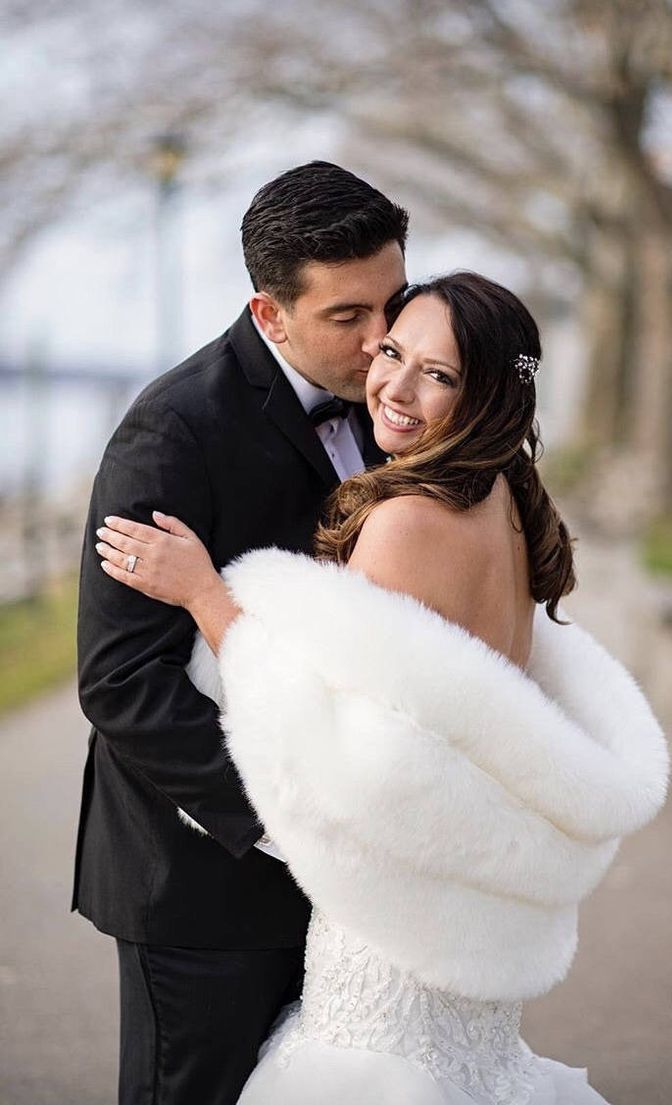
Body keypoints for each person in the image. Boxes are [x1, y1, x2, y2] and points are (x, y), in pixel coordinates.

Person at [95, 272, 670, 1104]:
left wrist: (204, 595)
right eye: (392, 352)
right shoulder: (502, 497)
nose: (392, 387)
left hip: (392, 943)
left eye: (437, 374)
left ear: (487, 398)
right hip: (454, 933)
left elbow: (332, 737)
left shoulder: (407, 519)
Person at [73, 160, 408, 1105]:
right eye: (348, 317)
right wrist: (288, 825)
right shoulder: (174, 432)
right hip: (203, 878)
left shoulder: (396, 406)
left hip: (351, 886)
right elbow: (122, 682)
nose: (382, 339)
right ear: (269, 315)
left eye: (394, 301)